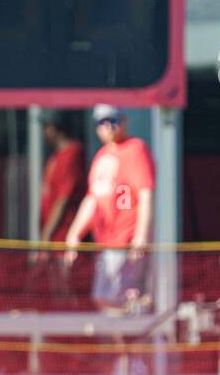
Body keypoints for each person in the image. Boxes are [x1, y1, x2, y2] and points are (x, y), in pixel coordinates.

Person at [64, 104, 155, 311]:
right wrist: (75, 234)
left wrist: (140, 237)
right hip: (106, 244)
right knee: (104, 299)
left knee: (119, 300)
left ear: (123, 121)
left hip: (126, 242)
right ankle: (117, 343)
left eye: (113, 120)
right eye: (102, 122)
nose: (109, 127)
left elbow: (145, 194)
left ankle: (125, 343)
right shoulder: (101, 156)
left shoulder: (136, 150)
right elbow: (92, 199)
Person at [39, 115, 85, 246]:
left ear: (55, 129)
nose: (44, 132)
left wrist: (46, 235)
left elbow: (63, 198)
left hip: (64, 238)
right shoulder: (55, 156)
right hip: (54, 239)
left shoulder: (72, 154)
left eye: (46, 128)